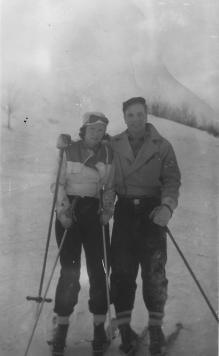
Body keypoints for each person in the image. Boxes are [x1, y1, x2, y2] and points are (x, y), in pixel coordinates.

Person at [110, 97, 181, 356]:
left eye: (140, 114)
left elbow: (172, 179)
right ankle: (125, 329)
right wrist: (66, 144)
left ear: (147, 115)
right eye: (131, 115)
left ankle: (155, 329)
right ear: (124, 117)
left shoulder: (163, 146)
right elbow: (88, 147)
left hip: (152, 213)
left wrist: (167, 206)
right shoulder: (113, 144)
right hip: (125, 212)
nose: (136, 119)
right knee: (122, 274)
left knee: (154, 274)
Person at [50, 112, 114, 356]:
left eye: (101, 129)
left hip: (94, 214)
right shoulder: (68, 150)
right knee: (70, 270)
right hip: (70, 214)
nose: (96, 134)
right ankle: (62, 328)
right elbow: (56, 183)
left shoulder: (107, 153)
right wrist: (63, 211)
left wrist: (107, 209)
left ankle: (99, 327)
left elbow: (110, 185)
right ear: (83, 130)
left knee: (98, 270)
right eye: (92, 129)